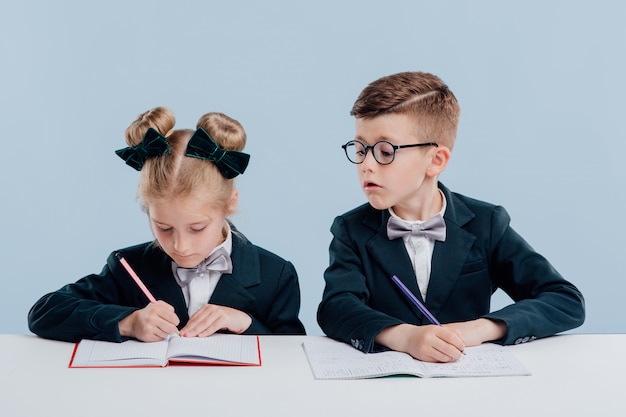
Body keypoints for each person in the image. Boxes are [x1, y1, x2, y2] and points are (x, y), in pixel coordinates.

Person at [317, 71, 584, 363]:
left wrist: (480, 329)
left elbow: (565, 300)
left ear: (436, 160)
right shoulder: (351, 229)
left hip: (468, 382)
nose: (366, 165)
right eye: (359, 149)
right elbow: (336, 307)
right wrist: (405, 337)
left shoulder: (486, 223)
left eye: (384, 151)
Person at [29, 107, 306, 343]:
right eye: (163, 227)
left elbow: (293, 354)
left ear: (230, 203)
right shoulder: (128, 266)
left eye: (197, 228)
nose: (180, 246)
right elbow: (44, 312)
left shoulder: (276, 275)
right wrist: (128, 322)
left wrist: (246, 322)